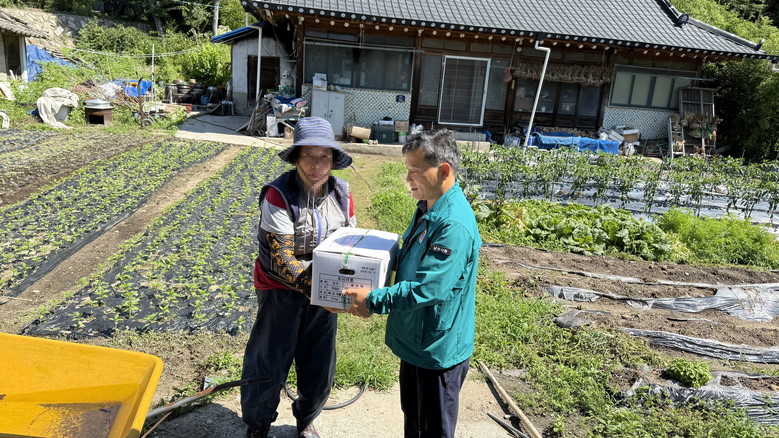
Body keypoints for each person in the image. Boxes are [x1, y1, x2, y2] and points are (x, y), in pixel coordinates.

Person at [343, 129, 481, 438]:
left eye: (415, 171)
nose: (407, 178)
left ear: (443, 171)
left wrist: (373, 300)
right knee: (414, 422)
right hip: (416, 340)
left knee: (433, 429)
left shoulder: (452, 224)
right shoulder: (428, 207)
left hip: (436, 349)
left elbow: (429, 288)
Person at [242, 116, 356, 438]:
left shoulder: (342, 193)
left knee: (319, 360)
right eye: (308, 156)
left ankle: (306, 419)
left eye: (324, 156)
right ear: (296, 158)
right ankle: (258, 423)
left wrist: (348, 284)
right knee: (269, 358)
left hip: (325, 288)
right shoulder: (278, 195)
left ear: (333, 159)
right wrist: (322, 288)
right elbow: (282, 261)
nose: (317, 165)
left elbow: (350, 244)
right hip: (280, 288)